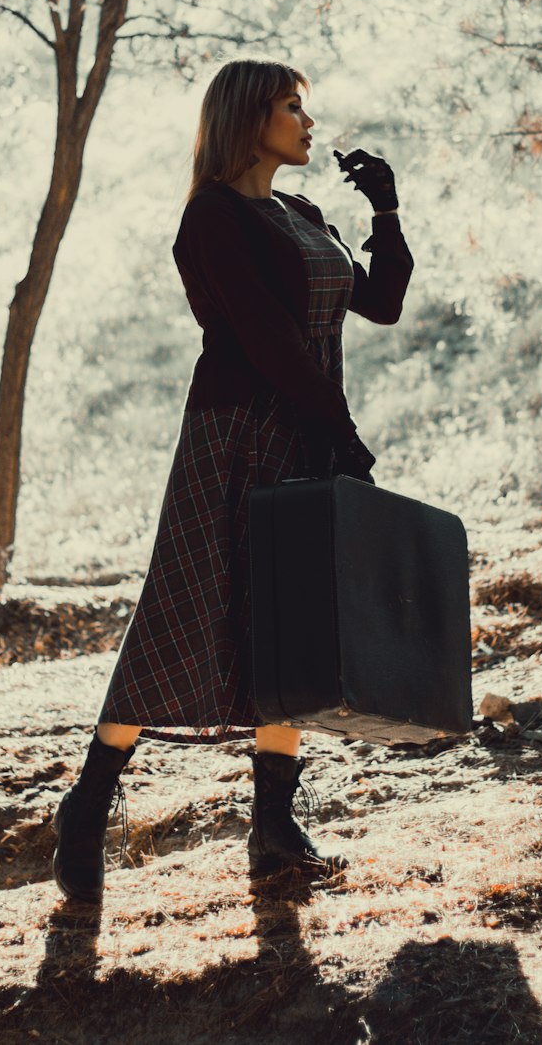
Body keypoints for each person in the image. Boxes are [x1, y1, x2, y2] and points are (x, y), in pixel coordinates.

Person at [52, 59, 414, 901]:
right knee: (185, 609)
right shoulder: (210, 219)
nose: (307, 122)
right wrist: (343, 434)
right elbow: (266, 342)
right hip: (236, 431)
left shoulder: (301, 212)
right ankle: (89, 801)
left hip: (309, 426)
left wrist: (386, 211)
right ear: (251, 119)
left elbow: (382, 303)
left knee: (288, 624)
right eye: (292, 107)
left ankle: (275, 831)